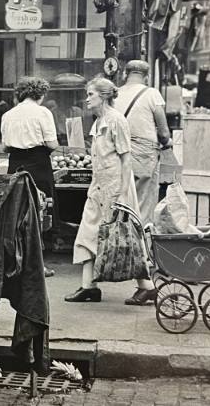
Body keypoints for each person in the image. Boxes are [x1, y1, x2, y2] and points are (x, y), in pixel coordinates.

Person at [66, 78, 154, 304]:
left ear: (103, 96)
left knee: (125, 237)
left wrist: (122, 193)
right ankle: (89, 286)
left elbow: (126, 159)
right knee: (88, 232)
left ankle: (147, 287)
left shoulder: (117, 120)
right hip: (99, 188)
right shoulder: (98, 122)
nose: (86, 99)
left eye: (90, 94)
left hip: (117, 188)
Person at [113, 61, 170, 305]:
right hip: (145, 156)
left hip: (120, 156)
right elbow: (164, 131)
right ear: (146, 76)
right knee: (143, 213)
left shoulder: (115, 94)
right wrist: (165, 142)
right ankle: (146, 267)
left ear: (125, 74)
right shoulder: (152, 94)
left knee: (123, 210)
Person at [1, 76, 57, 276]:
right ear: (40, 94)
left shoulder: (8, 115)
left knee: (17, 213)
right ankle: (37, 264)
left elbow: (5, 146)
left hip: (15, 164)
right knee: (40, 214)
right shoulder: (43, 113)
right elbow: (52, 144)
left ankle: (18, 261)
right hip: (39, 164)